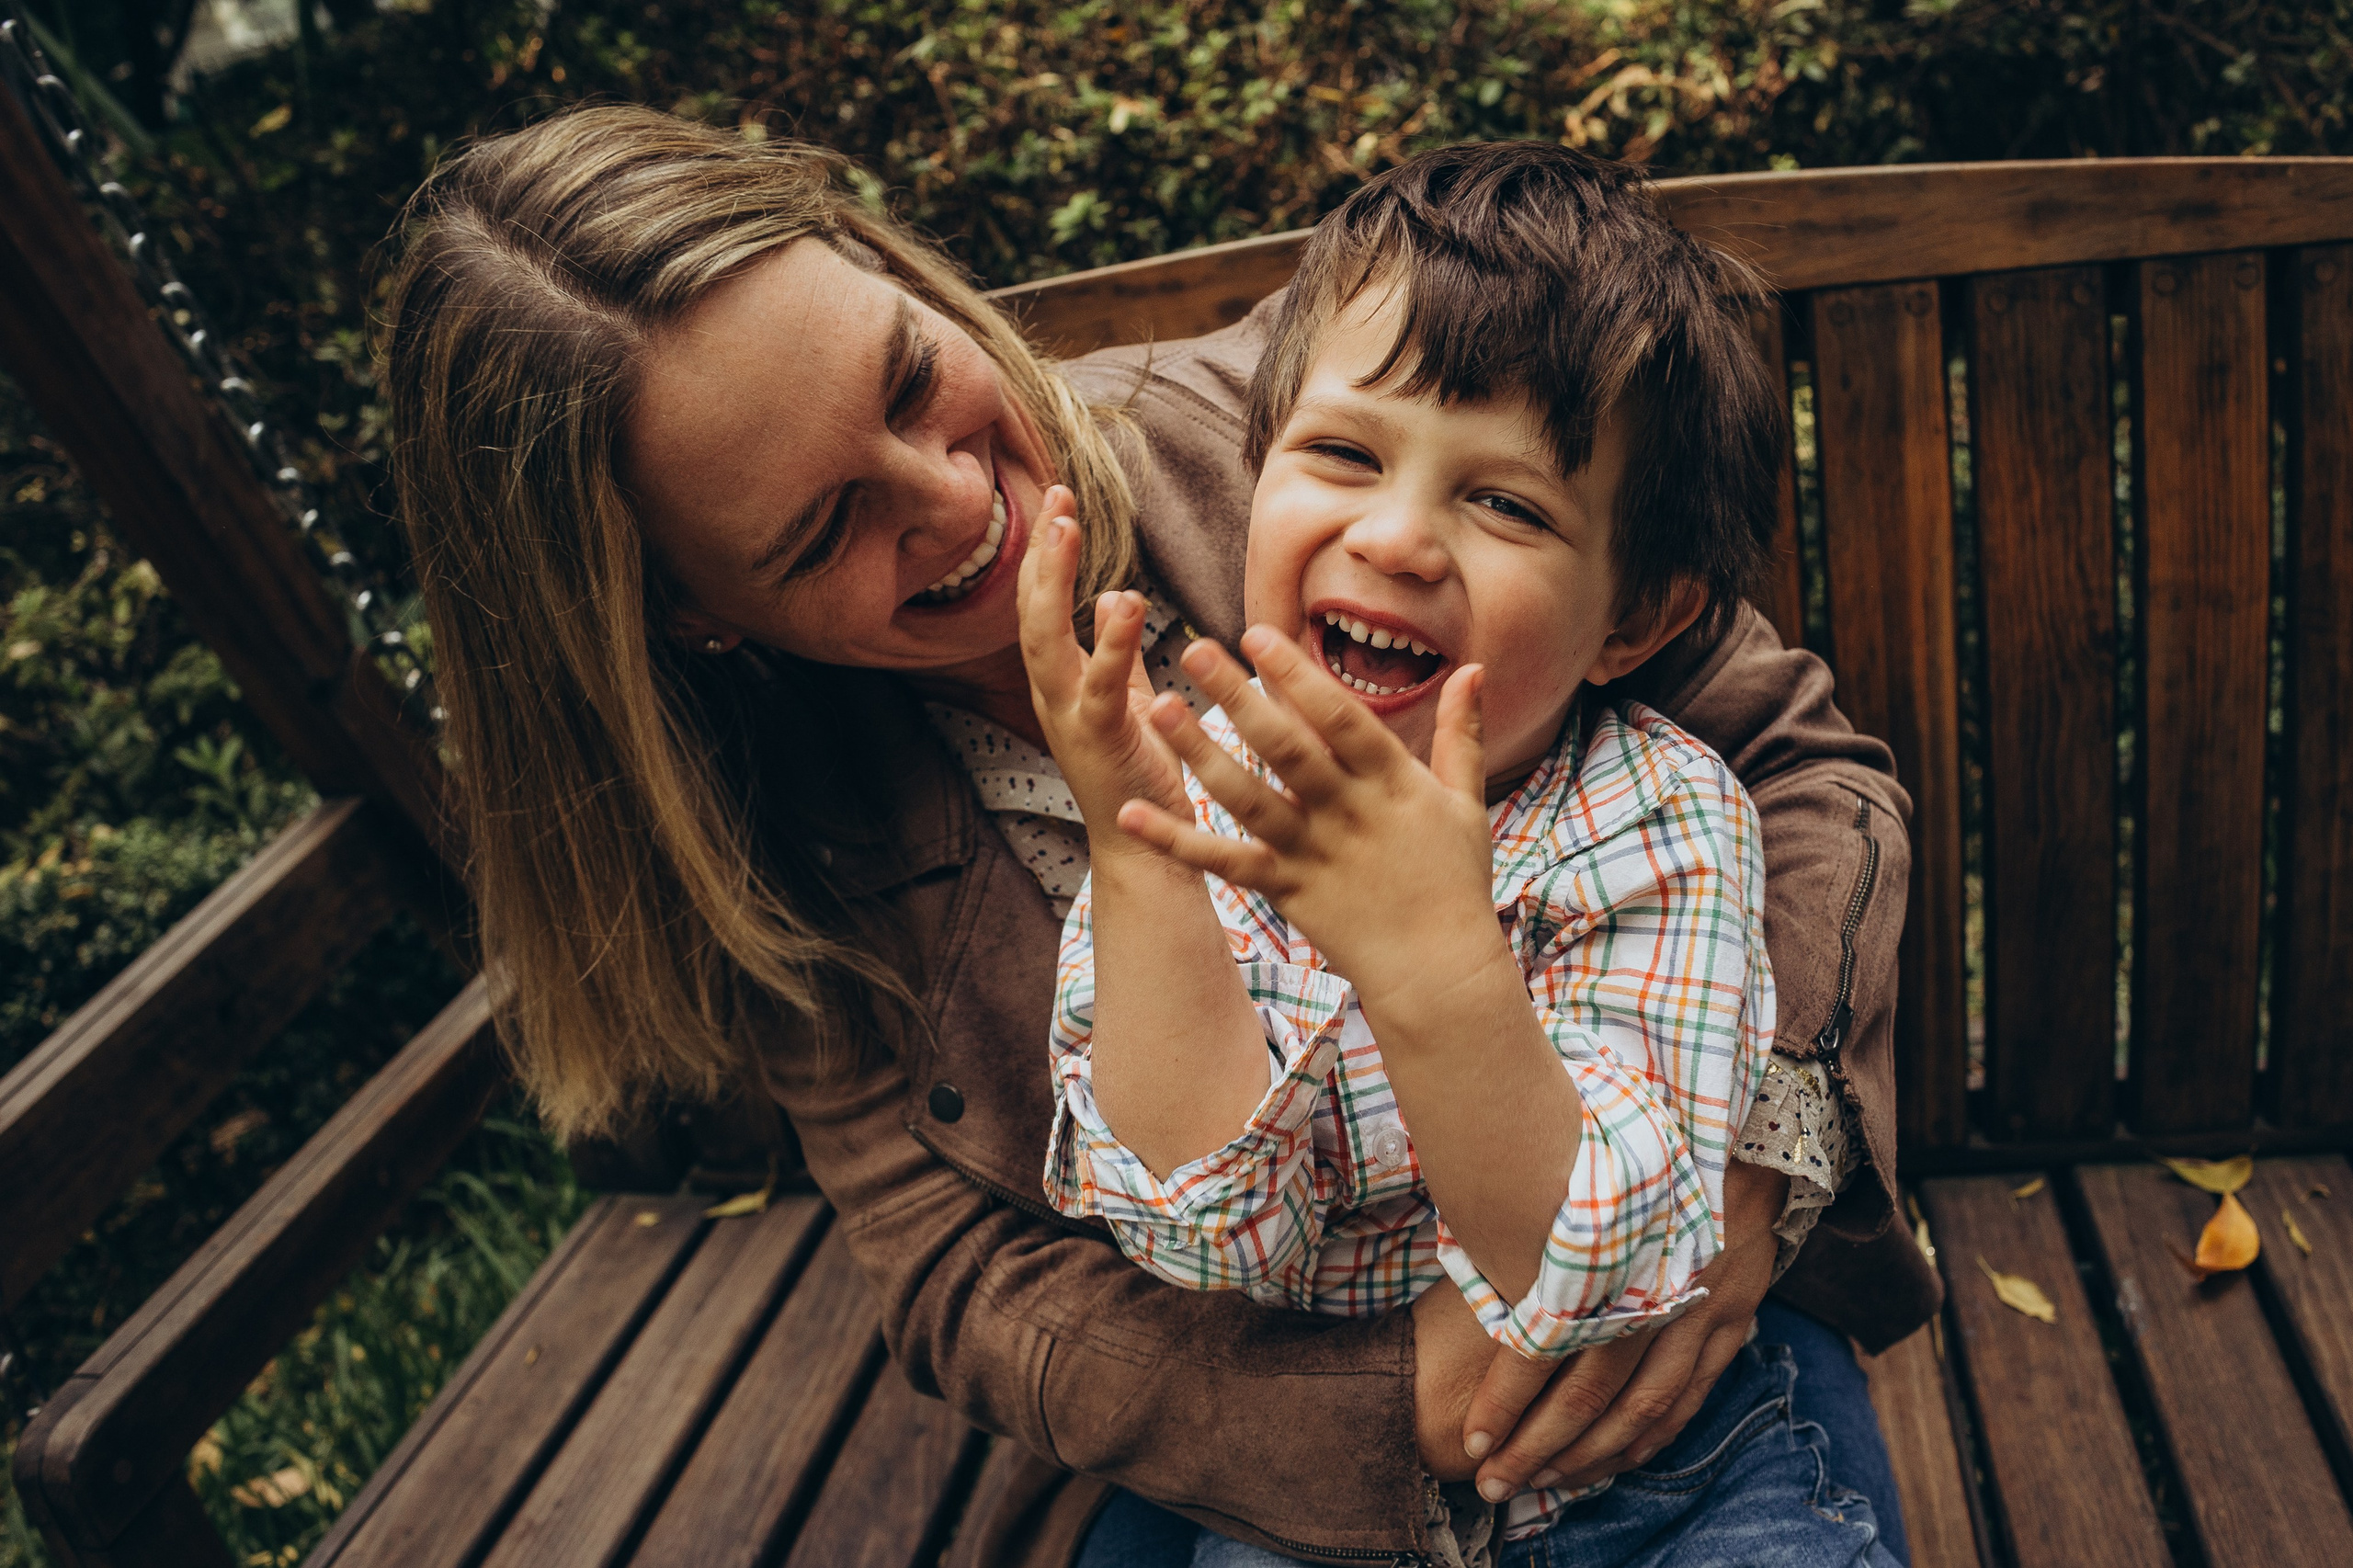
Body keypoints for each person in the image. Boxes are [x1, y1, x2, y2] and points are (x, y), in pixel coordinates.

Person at [381, 103, 1938, 1566]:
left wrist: (1742, 1159)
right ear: (692, 613)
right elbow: (970, 1272)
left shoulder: (1324, 421)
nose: (955, 500)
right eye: (822, 530)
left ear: (893, 273)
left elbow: (1801, 767)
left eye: (913, 380)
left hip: (1679, 1388)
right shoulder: (774, 811)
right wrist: (1388, 1400)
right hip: (1265, 1391)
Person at [1022, 143, 1895, 1567]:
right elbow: (1212, 1243)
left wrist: (1433, 955)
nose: (1398, 535)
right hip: (1343, 1493)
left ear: (1634, 618)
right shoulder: (1194, 808)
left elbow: (1611, 1274)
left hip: (1690, 1461)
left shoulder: (1658, 818)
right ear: (1257, 475)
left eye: (1508, 505)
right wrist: (1142, 869)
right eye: (1345, 454)